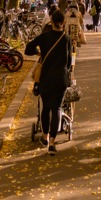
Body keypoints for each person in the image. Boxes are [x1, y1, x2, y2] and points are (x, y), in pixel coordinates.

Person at [25, 8, 72, 155]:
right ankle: (52, 142)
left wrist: (39, 52)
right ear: (63, 23)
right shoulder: (67, 39)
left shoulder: (44, 37)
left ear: (51, 22)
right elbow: (69, 62)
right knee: (57, 108)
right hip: (60, 78)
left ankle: (44, 137)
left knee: (46, 107)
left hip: (45, 77)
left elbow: (28, 49)